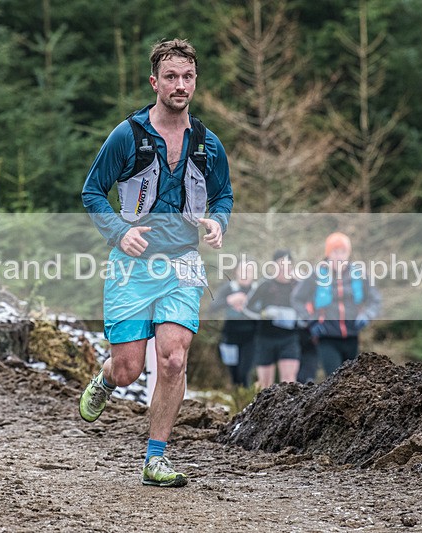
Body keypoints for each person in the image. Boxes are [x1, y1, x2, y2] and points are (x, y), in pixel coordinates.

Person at [79, 38, 233, 487]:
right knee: (129, 368)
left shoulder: (207, 143)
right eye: (171, 77)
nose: (179, 84)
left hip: (183, 262)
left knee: (172, 360)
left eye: (187, 77)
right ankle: (107, 379)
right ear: (155, 82)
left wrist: (218, 222)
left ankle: (156, 458)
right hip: (132, 265)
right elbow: (92, 192)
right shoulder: (127, 135)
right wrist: (119, 231)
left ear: (195, 81)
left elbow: (222, 195)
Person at [291, 232, 381, 378]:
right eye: (335, 252)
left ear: (348, 253)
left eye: (343, 252)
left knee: (353, 379)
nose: (339, 256)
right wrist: (311, 321)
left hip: (352, 334)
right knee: (335, 378)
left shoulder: (358, 274)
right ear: (328, 254)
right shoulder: (317, 274)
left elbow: (375, 299)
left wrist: (367, 315)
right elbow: (297, 298)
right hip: (326, 335)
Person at [245, 249, 301, 388]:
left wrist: (299, 317)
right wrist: (264, 314)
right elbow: (247, 306)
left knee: (289, 382)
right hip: (265, 338)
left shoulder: (298, 286)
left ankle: (289, 409)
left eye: (287, 265)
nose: (283, 269)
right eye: (280, 265)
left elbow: (309, 308)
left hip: (289, 338)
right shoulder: (265, 285)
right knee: (265, 385)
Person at [208, 259, 258, 387]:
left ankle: (246, 402)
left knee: (244, 373)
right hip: (229, 337)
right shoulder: (229, 288)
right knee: (234, 375)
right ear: (236, 272)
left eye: (250, 271)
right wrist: (229, 300)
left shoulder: (257, 290)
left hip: (251, 337)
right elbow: (212, 307)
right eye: (243, 270)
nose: (246, 274)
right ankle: (237, 401)